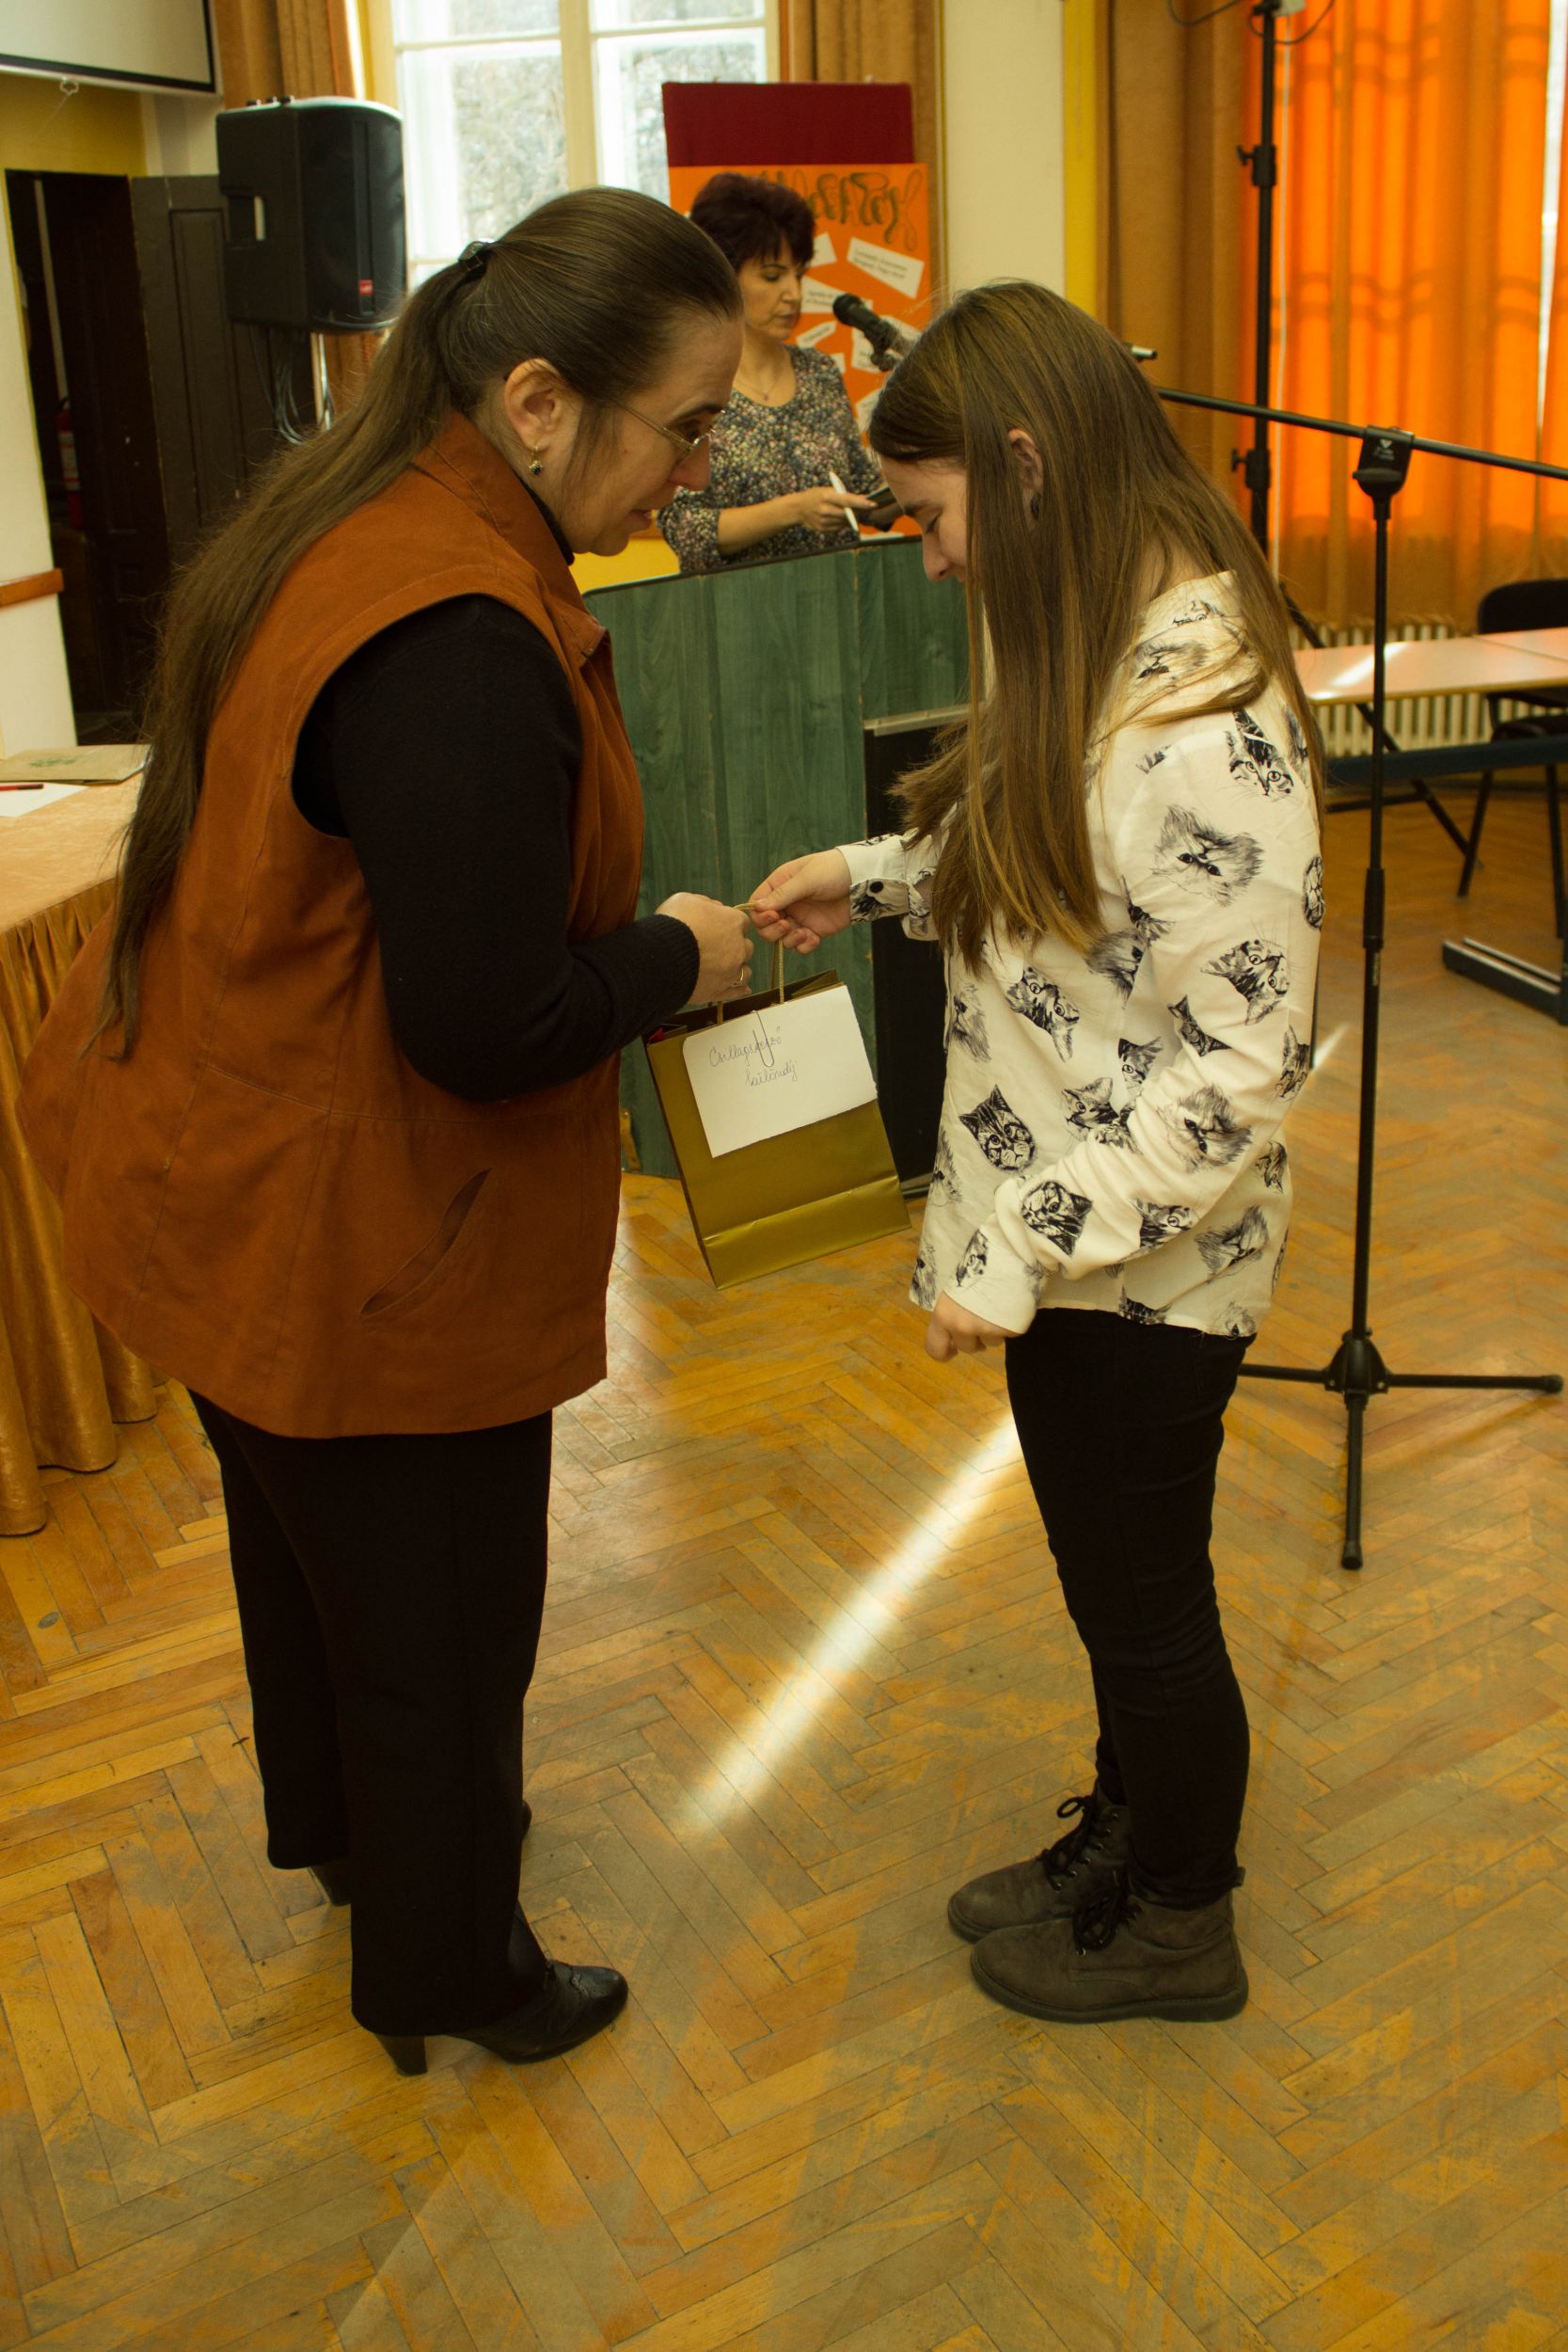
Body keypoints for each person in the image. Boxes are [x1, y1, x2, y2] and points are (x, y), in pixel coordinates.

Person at [19, 188, 755, 2076]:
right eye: (683, 425)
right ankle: (451, 1971)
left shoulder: (354, 522)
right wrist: (676, 958)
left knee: (319, 1574)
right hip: (360, 1235)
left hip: (237, 1185)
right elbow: (484, 1024)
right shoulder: (456, 632)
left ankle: (357, 1847)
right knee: (440, 1622)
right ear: (538, 401)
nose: (695, 469)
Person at [751, 281, 1323, 2026]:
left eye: (930, 517)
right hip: (1075, 1242)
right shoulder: (1105, 645)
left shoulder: (1201, 714)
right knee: (1110, 1588)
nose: (930, 560)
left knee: (1144, 1604)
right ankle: (1129, 1843)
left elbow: (1236, 1071)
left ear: (1020, 466)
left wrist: (1014, 1242)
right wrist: (865, 877)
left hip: (1141, 1266)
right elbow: (1063, 875)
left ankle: (1181, 1920)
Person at [659, 171, 892, 570]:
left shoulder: (819, 372)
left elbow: (863, 492)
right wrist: (795, 510)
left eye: (798, 275)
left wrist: (916, 484)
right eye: (772, 276)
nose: (794, 294)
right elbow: (685, 529)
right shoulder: (690, 382)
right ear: (723, 276)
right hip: (736, 603)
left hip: (838, 594)